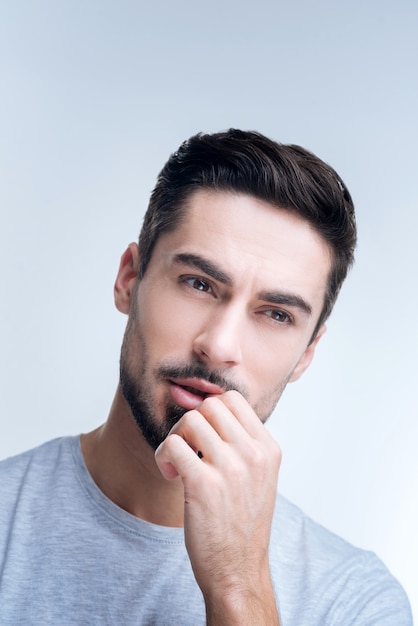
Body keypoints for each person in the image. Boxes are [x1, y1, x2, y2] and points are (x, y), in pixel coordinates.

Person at [0, 129, 412, 626]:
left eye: (276, 314)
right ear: (130, 279)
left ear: (307, 354)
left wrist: (239, 587)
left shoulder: (354, 602)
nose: (219, 345)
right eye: (199, 283)